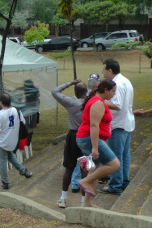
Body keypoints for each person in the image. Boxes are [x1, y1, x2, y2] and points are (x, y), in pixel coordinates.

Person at [76, 79, 120, 207]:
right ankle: (85, 181)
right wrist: (95, 148)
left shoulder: (99, 101)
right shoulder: (97, 103)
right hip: (89, 139)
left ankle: (87, 203)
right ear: (105, 90)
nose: (113, 94)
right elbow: (94, 126)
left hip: (88, 139)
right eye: (113, 91)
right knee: (114, 164)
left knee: (95, 169)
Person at [99, 59, 135, 195]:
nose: (103, 73)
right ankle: (123, 182)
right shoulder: (125, 81)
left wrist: (99, 99)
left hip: (118, 124)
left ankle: (115, 185)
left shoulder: (117, 84)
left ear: (110, 71)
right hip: (126, 123)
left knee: (115, 157)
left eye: (104, 70)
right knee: (124, 155)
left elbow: (118, 105)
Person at [52, 79, 88, 208]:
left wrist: (70, 83)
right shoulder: (91, 103)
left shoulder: (71, 103)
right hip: (86, 137)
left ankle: (63, 198)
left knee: (69, 168)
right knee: (85, 169)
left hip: (73, 136)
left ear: (76, 92)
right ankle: (84, 201)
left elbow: (55, 91)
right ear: (86, 91)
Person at [0, 93, 33, 189]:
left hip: (2, 141)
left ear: (1, 102)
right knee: (10, 156)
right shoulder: (15, 110)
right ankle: (23, 170)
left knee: (2, 160)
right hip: (13, 140)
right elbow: (22, 122)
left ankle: (5, 181)